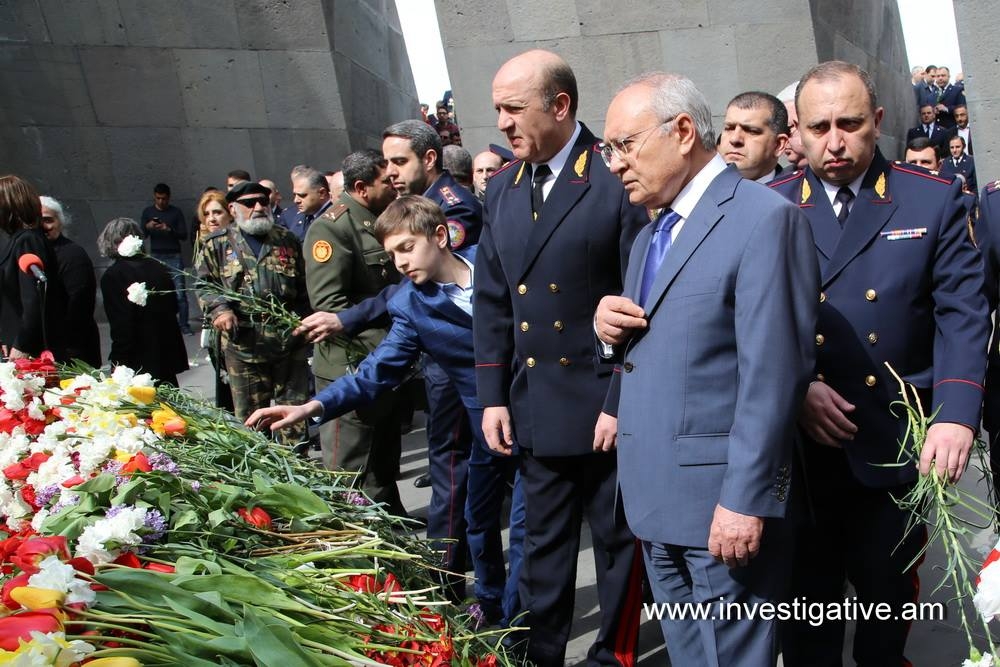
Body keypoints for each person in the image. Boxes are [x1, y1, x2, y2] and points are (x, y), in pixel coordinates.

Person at [594, 72, 818, 667]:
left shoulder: (763, 219)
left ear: (683, 131)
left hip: (722, 509)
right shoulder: (650, 234)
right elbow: (658, 349)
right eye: (608, 149)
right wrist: (606, 333)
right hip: (653, 501)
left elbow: (775, 375)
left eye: (624, 144)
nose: (614, 164)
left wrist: (745, 499)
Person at [769, 60, 988, 666]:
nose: (835, 141)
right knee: (806, 620)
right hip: (801, 457)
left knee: (885, 615)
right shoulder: (768, 207)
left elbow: (962, 315)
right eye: (819, 127)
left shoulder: (931, 199)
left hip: (892, 445)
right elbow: (745, 322)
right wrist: (797, 387)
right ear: (796, 131)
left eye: (850, 124)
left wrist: (956, 414)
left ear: (879, 121)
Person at [248, 194, 525, 628]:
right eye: (391, 253)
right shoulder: (411, 305)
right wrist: (312, 407)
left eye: (406, 248)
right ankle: (495, 608)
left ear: (439, 236)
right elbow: (374, 373)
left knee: (527, 527)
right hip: (487, 429)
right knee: (478, 518)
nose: (399, 262)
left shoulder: (494, 261)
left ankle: (523, 617)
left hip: (540, 411)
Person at [474, 49, 647, 666]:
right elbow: (493, 301)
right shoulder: (502, 189)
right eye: (497, 109)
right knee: (541, 551)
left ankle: (612, 657)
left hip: (603, 405)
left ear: (560, 105)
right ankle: (537, 656)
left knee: (619, 546)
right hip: (538, 405)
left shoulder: (614, 177)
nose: (502, 122)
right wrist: (493, 397)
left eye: (513, 108)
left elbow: (640, 301)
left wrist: (620, 400)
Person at [301, 156, 407, 516]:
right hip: (351, 365)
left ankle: (390, 519)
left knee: (384, 454)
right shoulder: (332, 228)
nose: (394, 185)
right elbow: (329, 305)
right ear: (361, 188)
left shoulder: (379, 220)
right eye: (385, 181)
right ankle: (358, 533)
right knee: (350, 467)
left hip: (383, 361)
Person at [195, 181, 311, 446]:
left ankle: (298, 465)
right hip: (244, 346)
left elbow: (304, 287)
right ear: (233, 209)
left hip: (288, 343)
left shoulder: (287, 240)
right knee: (251, 424)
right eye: (249, 203)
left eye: (263, 201)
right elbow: (204, 285)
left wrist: (305, 323)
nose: (258, 207)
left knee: (293, 418)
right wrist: (220, 310)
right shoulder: (218, 244)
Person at [98, 217, 188, 385]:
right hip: (165, 351)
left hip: (137, 358)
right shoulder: (158, 267)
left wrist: (118, 360)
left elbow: (121, 324)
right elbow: (173, 306)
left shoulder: (113, 275)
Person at [0, 175, 67, 360]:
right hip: (15, 337)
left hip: (28, 347)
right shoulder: (18, 239)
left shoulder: (28, 240)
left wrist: (22, 344)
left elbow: (33, 299)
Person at [39, 196, 101, 367]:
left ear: (61, 222)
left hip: (72, 350)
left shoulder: (73, 254)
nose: (42, 226)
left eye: (48, 220)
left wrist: (68, 349)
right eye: (36, 221)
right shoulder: (36, 253)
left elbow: (79, 305)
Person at [194, 189, 235, 411]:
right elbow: (202, 285)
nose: (211, 218)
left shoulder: (235, 242)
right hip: (216, 324)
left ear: (230, 213)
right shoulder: (204, 244)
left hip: (237, 324)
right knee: (224, 383)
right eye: (207, 214)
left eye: (217, 212)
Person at [717, 91, 789, 183]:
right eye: (729, 128)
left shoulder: (797, 191)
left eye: (752, 131)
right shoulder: (702, 188)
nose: (734, 139)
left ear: (778, 145)